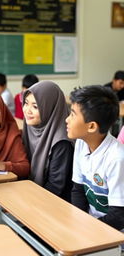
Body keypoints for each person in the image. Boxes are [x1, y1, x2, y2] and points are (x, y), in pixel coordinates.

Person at [66, 85, 124, 238]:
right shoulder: (81, 143)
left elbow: (119, 216)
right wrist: (78, 223)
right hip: (92, 225)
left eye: (72, 115)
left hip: (115, 233)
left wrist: (87, 231)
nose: (67, 119)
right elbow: (78, 189)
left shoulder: (116, 158)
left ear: (91, 126)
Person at [22, 81, 74, 202]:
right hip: (32, 194)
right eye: (26, 103)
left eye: (35, 106)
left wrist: (29, 202)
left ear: (50, 109)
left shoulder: (62, 142)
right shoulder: (30, 128)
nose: (27, 110)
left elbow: (55, 187)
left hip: (54, 203)